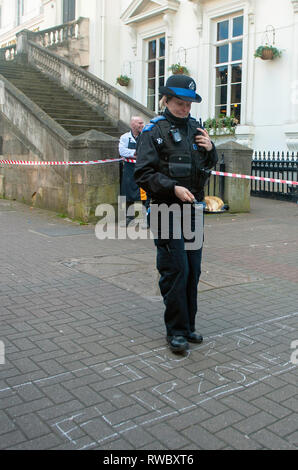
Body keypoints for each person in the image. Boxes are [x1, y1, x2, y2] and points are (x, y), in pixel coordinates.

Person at [134, 74, 218, 353]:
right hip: (164, 209)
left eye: (189, 104)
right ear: (166, 100)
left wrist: (210, 150)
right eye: (180, 103)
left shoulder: (196, 128)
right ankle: (176, 331)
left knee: (193, 270)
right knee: (175, 269)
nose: (185, 109)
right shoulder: (153, 132)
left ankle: (189, 325)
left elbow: (203, 166)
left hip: (193, 210)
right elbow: (143, 174)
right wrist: (173, 188)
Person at [119, 116, 145, 225]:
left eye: (142, 123)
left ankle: (143, 218)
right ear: (133, 125)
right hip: (129, 169)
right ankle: (128, 217)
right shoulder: (125, 137)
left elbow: (147, 150)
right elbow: (122, 151)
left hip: (142, 168)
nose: (142, 125)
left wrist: (134, 153)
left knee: (143, 193)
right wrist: (135, 153)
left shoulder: (145, 137)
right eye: (139, 123)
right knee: (127, 192)